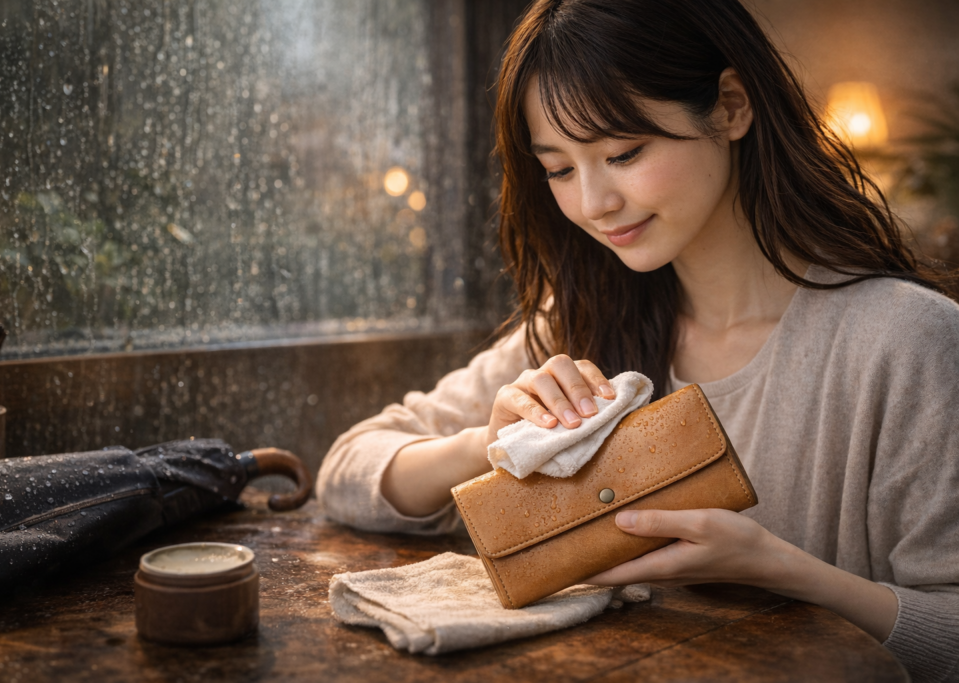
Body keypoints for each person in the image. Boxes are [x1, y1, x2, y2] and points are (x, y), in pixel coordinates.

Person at [316, 1, 959, 680]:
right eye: (559, 169)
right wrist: (491, 444)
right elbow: (347, 469)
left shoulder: (905, 341)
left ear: (731, 107)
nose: (594, 202)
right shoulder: (584, 320)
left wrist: (777, 568)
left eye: (623, 153)